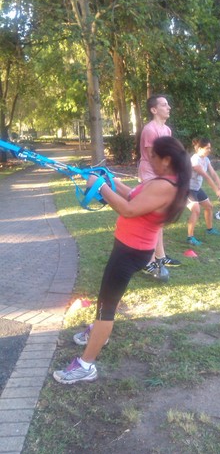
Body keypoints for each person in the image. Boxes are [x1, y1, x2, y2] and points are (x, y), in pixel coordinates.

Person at [53, 136, 192, 384]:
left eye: (153, 157)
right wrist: (113, 182)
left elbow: (127, 210)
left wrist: (100, 186)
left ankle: (86, 365)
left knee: (105, 308)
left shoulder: (165, 186)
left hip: (130, 252)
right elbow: (133, 198)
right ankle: (97, 333)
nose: (149, 160)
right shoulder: (166, 181)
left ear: (167, 159)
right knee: (107, 299)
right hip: (129, 248)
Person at [138, 94, 181, 278]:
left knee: (160, 217)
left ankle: (160, 256)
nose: (168, 107)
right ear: (154, 110)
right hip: (150, 173)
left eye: (168, 104)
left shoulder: (167, 130)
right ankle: (147, 261)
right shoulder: (150, 130)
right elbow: (152, 157)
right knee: (151, 217)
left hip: (162, 174)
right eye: (164, 105)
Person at [187, 137, 220, 245]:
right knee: (196, 210)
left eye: (210, 148)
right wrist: (216, 191)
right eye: (207, 148)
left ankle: (209, 229)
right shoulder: (195, 160)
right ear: (199, 148)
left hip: (196, 188)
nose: (209, 150)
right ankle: (190, 237)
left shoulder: (206, 160)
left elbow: (213, 173)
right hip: (187, 189)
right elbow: (206, 176)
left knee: (209, 207)